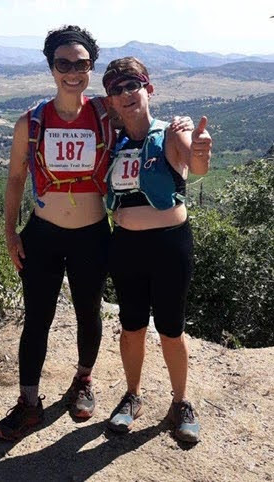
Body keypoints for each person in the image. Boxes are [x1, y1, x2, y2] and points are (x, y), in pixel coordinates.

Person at [0, 25, 192, 441]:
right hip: (42, 233)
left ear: (90, 67)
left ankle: (83, 381)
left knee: (89, 312)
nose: (72, 71)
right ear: (51, 67)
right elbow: (14, 180)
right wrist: (11, 232)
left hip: (93, 235)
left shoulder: (106, 113)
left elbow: (142, 115)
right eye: (63, 63)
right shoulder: (28, 123)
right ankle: (28, 401)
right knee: (37, 320)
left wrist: (185, 130)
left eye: (81, 64)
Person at [102, 57, 212, 443]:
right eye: (117, 89)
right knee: (131, 328)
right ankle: (132, 396)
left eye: (133, 84)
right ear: (111, 101)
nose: (126, 93)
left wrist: (200, 149)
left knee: (171, 329)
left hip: (169, 246)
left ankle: (180, 402)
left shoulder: (171, 133)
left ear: (148, 89)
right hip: (127, 247)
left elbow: (195, 164)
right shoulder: (114, 143)